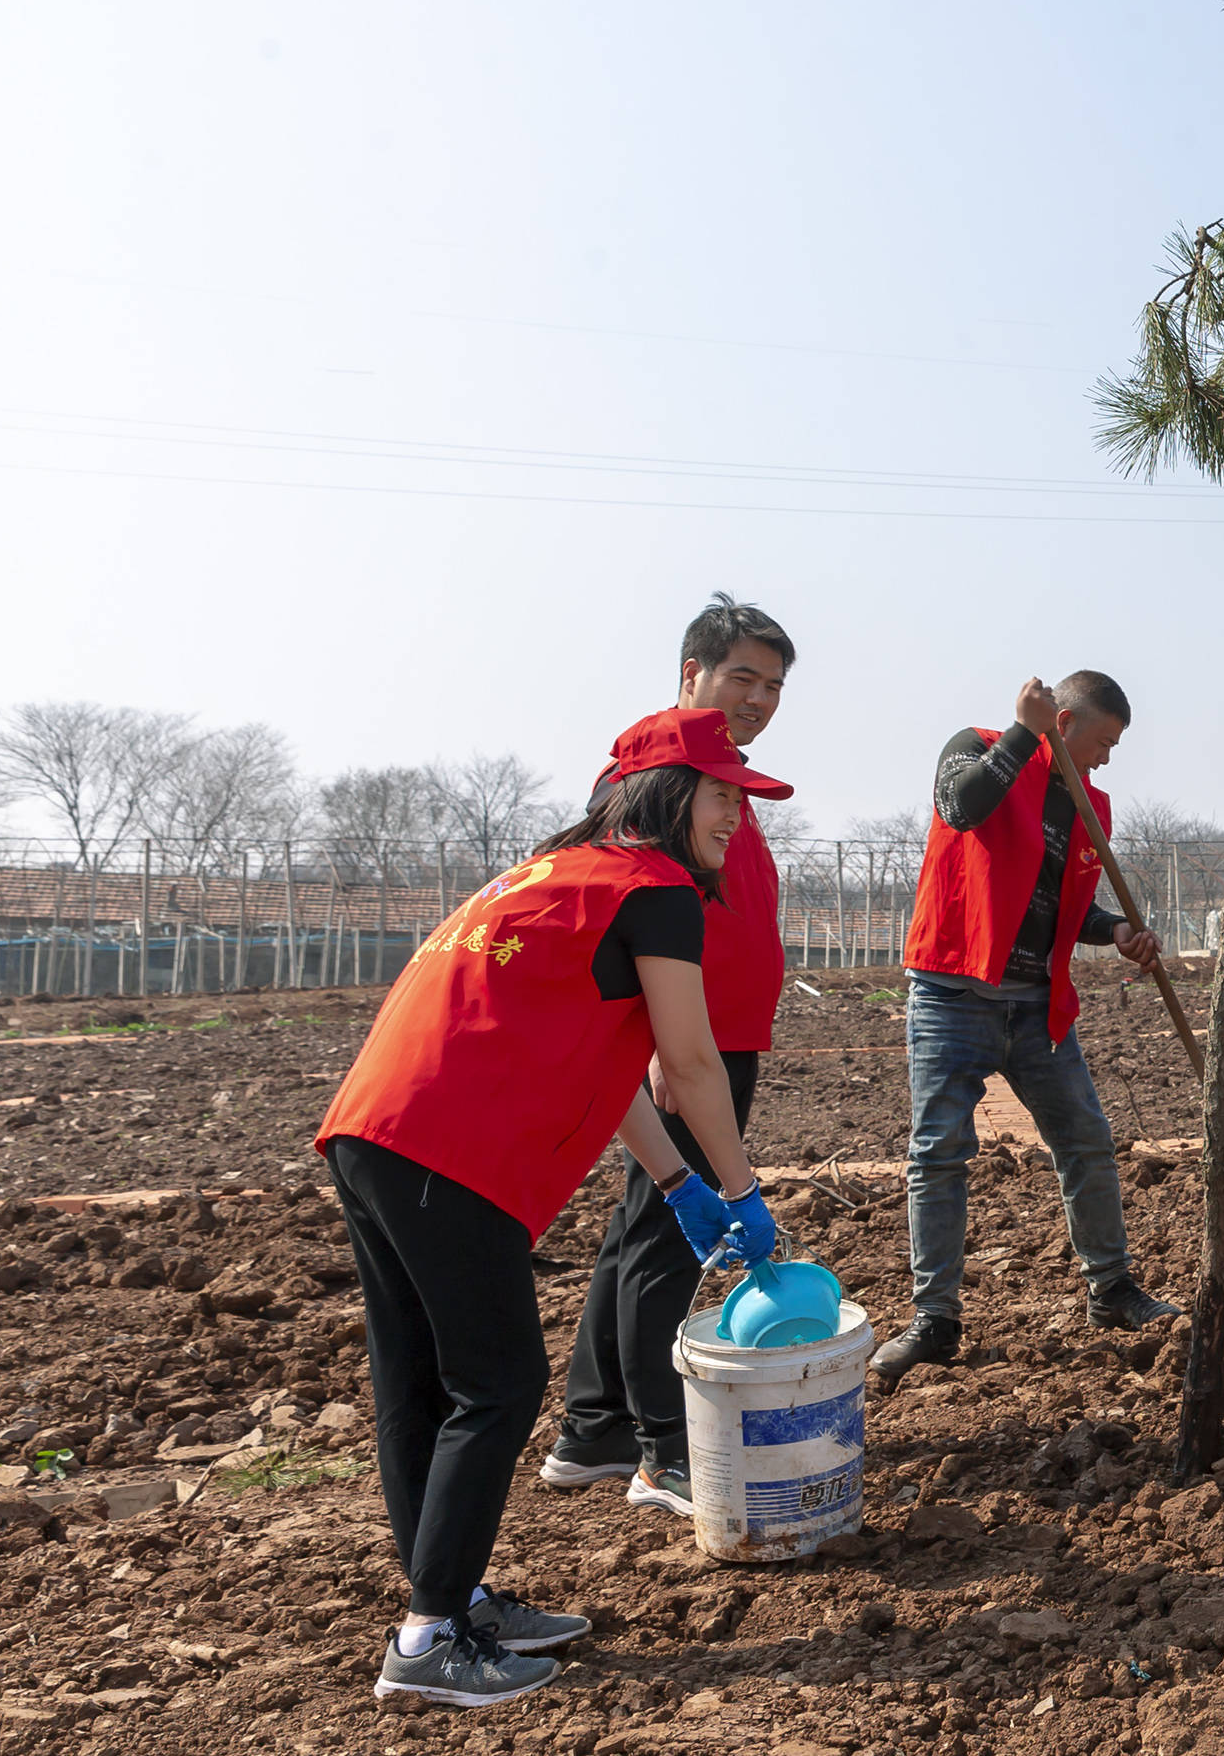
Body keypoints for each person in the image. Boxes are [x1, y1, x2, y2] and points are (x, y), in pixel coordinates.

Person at [314, 707, 787, 1708]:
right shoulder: (655, 892)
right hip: (451, 1151)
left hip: (374, 1130)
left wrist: (676, 1185)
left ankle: (451, 1599)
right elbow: (691, 1066)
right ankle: (431, 1636)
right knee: (496, 1382)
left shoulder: (556, 876)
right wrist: (742, 1189)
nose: (736, 818)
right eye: (721, 795)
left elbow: (610, 1070)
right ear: (667, 798)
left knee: (420, 1383)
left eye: (743, 801)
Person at [544, 594, 795, 1516]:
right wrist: (649, 1045)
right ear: (690, 674)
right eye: (742, 677)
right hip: (685, 1048)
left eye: (773, 685)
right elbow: (625, 922)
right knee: (669, 1239)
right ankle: (662, 1449)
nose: (759, 698)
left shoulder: (719, 778)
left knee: (639, 1229)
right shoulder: (645, 778)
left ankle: (594, 1426)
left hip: (718, 1036)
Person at [869, 672, 1176, 1382]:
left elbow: (1065, 906)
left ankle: (1111, 1289)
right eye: (1102, 741)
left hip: (1037, 1004)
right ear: (1064, 722)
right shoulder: (977, 748)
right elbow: (962, 807)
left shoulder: (1088, 805)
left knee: (1087, 1139)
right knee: (939, 1151)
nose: (1105, 759)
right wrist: (1020, 730)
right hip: (952, 993)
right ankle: (934, 1320)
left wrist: (1119, 928)